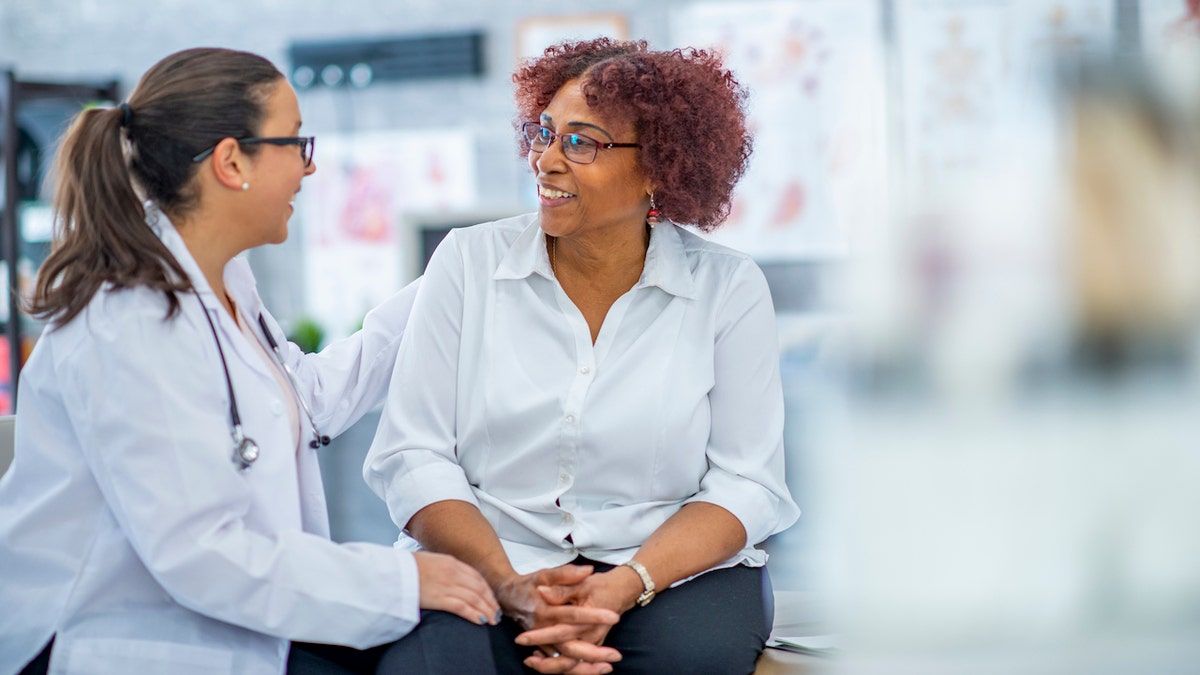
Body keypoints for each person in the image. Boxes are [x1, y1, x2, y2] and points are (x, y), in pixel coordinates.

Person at [0, 47, 502, 675]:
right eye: (294, 141)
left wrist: (455, 278)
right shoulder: (128, 321)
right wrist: (402, 580)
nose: (307, 167)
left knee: (445, 644)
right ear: (231, 160)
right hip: (114, 638)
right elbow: (202, 555)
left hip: (221, 614)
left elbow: (303, 399)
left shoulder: (223, 279)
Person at [364, 38, 800, 674]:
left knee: (688, 660)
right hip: (488, 558)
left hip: (667, 571)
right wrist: (509, 585)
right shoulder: (466, 261)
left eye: (581, 142)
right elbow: (414, 454)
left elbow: (747, 482)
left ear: (660, 167)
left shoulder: (727, 288)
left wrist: (623, 586)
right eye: (545, 133)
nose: (545, 160)